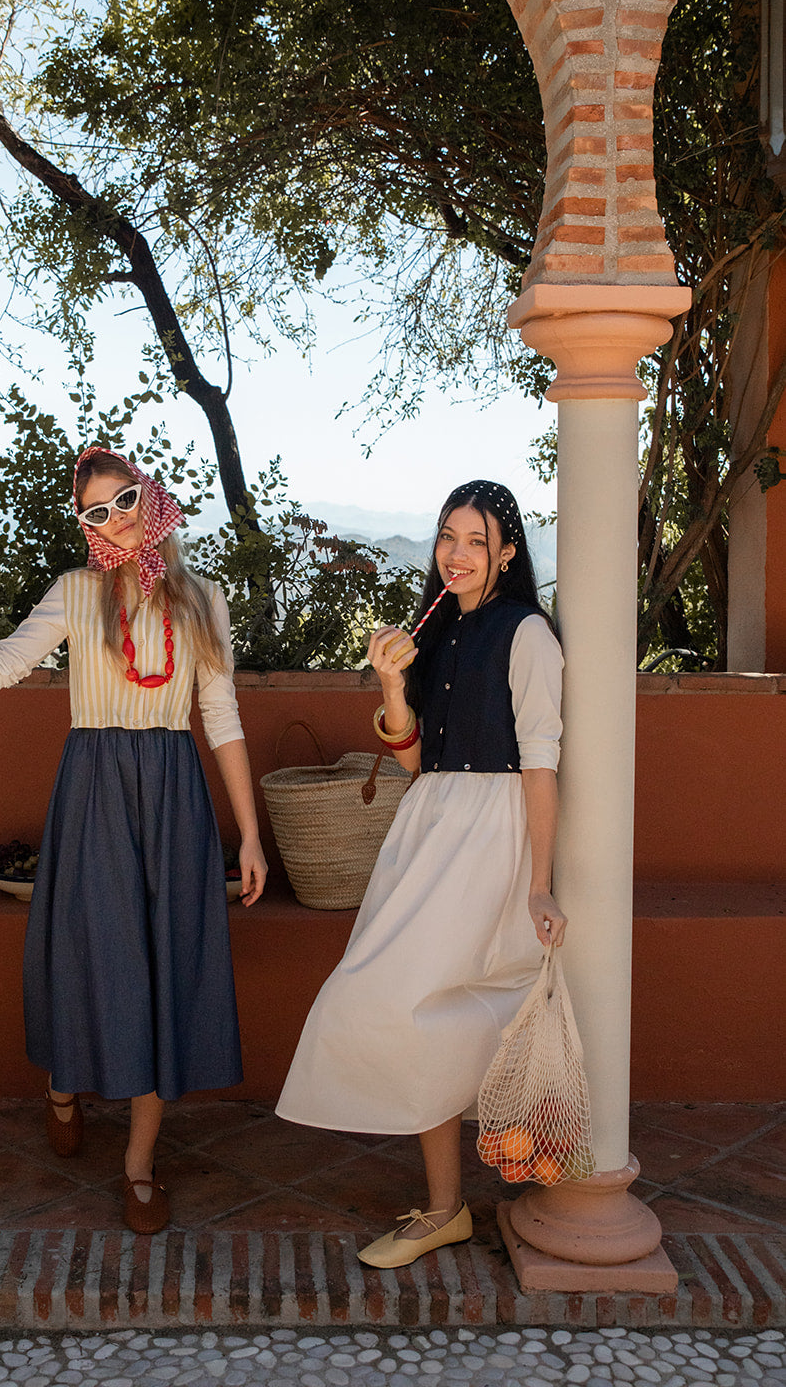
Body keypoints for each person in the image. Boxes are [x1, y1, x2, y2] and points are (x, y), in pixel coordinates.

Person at [0, 445, 267, 1235]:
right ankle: (64, 1081)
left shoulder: (204, 599)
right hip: (93, 793)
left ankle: (139, 1165)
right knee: (92, 953)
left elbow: (219, 718)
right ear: (84, 526)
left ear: (149, 500)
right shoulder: (75, 595)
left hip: (172, 797)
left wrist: (249, 836)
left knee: (160, 964)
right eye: (95, 512)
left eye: (123, 500)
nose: (114, 520)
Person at [276, 478, 565, 1268]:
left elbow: (540, 762)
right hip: (427, 829)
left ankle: (488, 1186)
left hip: (489, 835)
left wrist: (540, 879)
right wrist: (392, 685)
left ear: (508, 551)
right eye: (447, 537)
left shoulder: (526, 634)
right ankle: (445, 1207)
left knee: (411, 998)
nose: (457, 554)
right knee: (415, 1006)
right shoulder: (433, 630)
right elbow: (409, 755)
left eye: (476, 540)